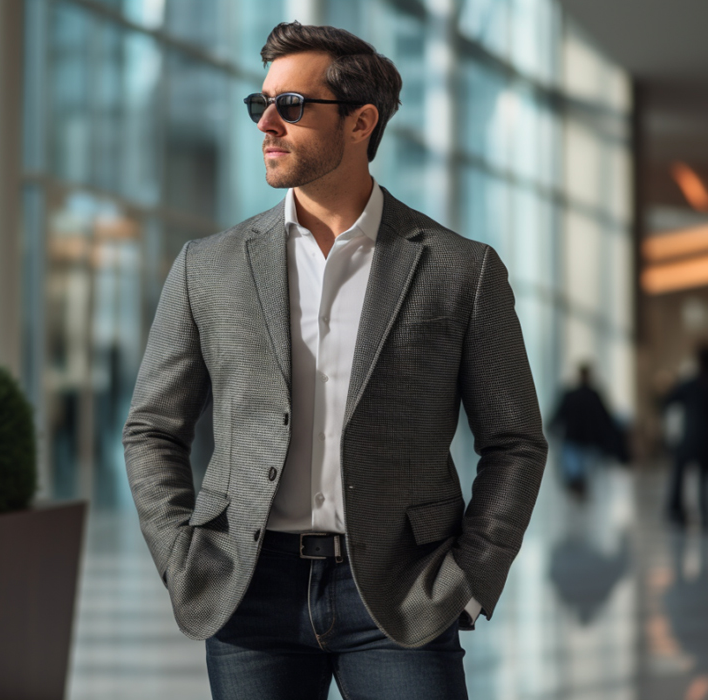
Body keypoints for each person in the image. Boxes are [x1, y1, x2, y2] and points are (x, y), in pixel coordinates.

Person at [123, 22, 547, 700]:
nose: (266, 122)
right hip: (248, 594)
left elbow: (515, 442)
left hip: (404, 593)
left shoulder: (460, 271)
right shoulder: (209, 267)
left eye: (291, 106)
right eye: (258, 103)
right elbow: (152, 427)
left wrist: (470, 580)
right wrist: (182, 559)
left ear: (361, 122)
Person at [663, 344, 708, 527]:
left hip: (693, 441)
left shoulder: (689, 384)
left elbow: (668, 401)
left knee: (680, 466)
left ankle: (676, 509)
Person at [548, 363, 620, 496]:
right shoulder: (593, 395)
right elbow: (605, 417)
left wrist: (551, 427)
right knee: (583, 466)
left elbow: (559, 414)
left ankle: (577, 484)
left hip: (574, 437)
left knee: (576, 466)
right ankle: (579, 484)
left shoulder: (572, 394)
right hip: (588, 438)